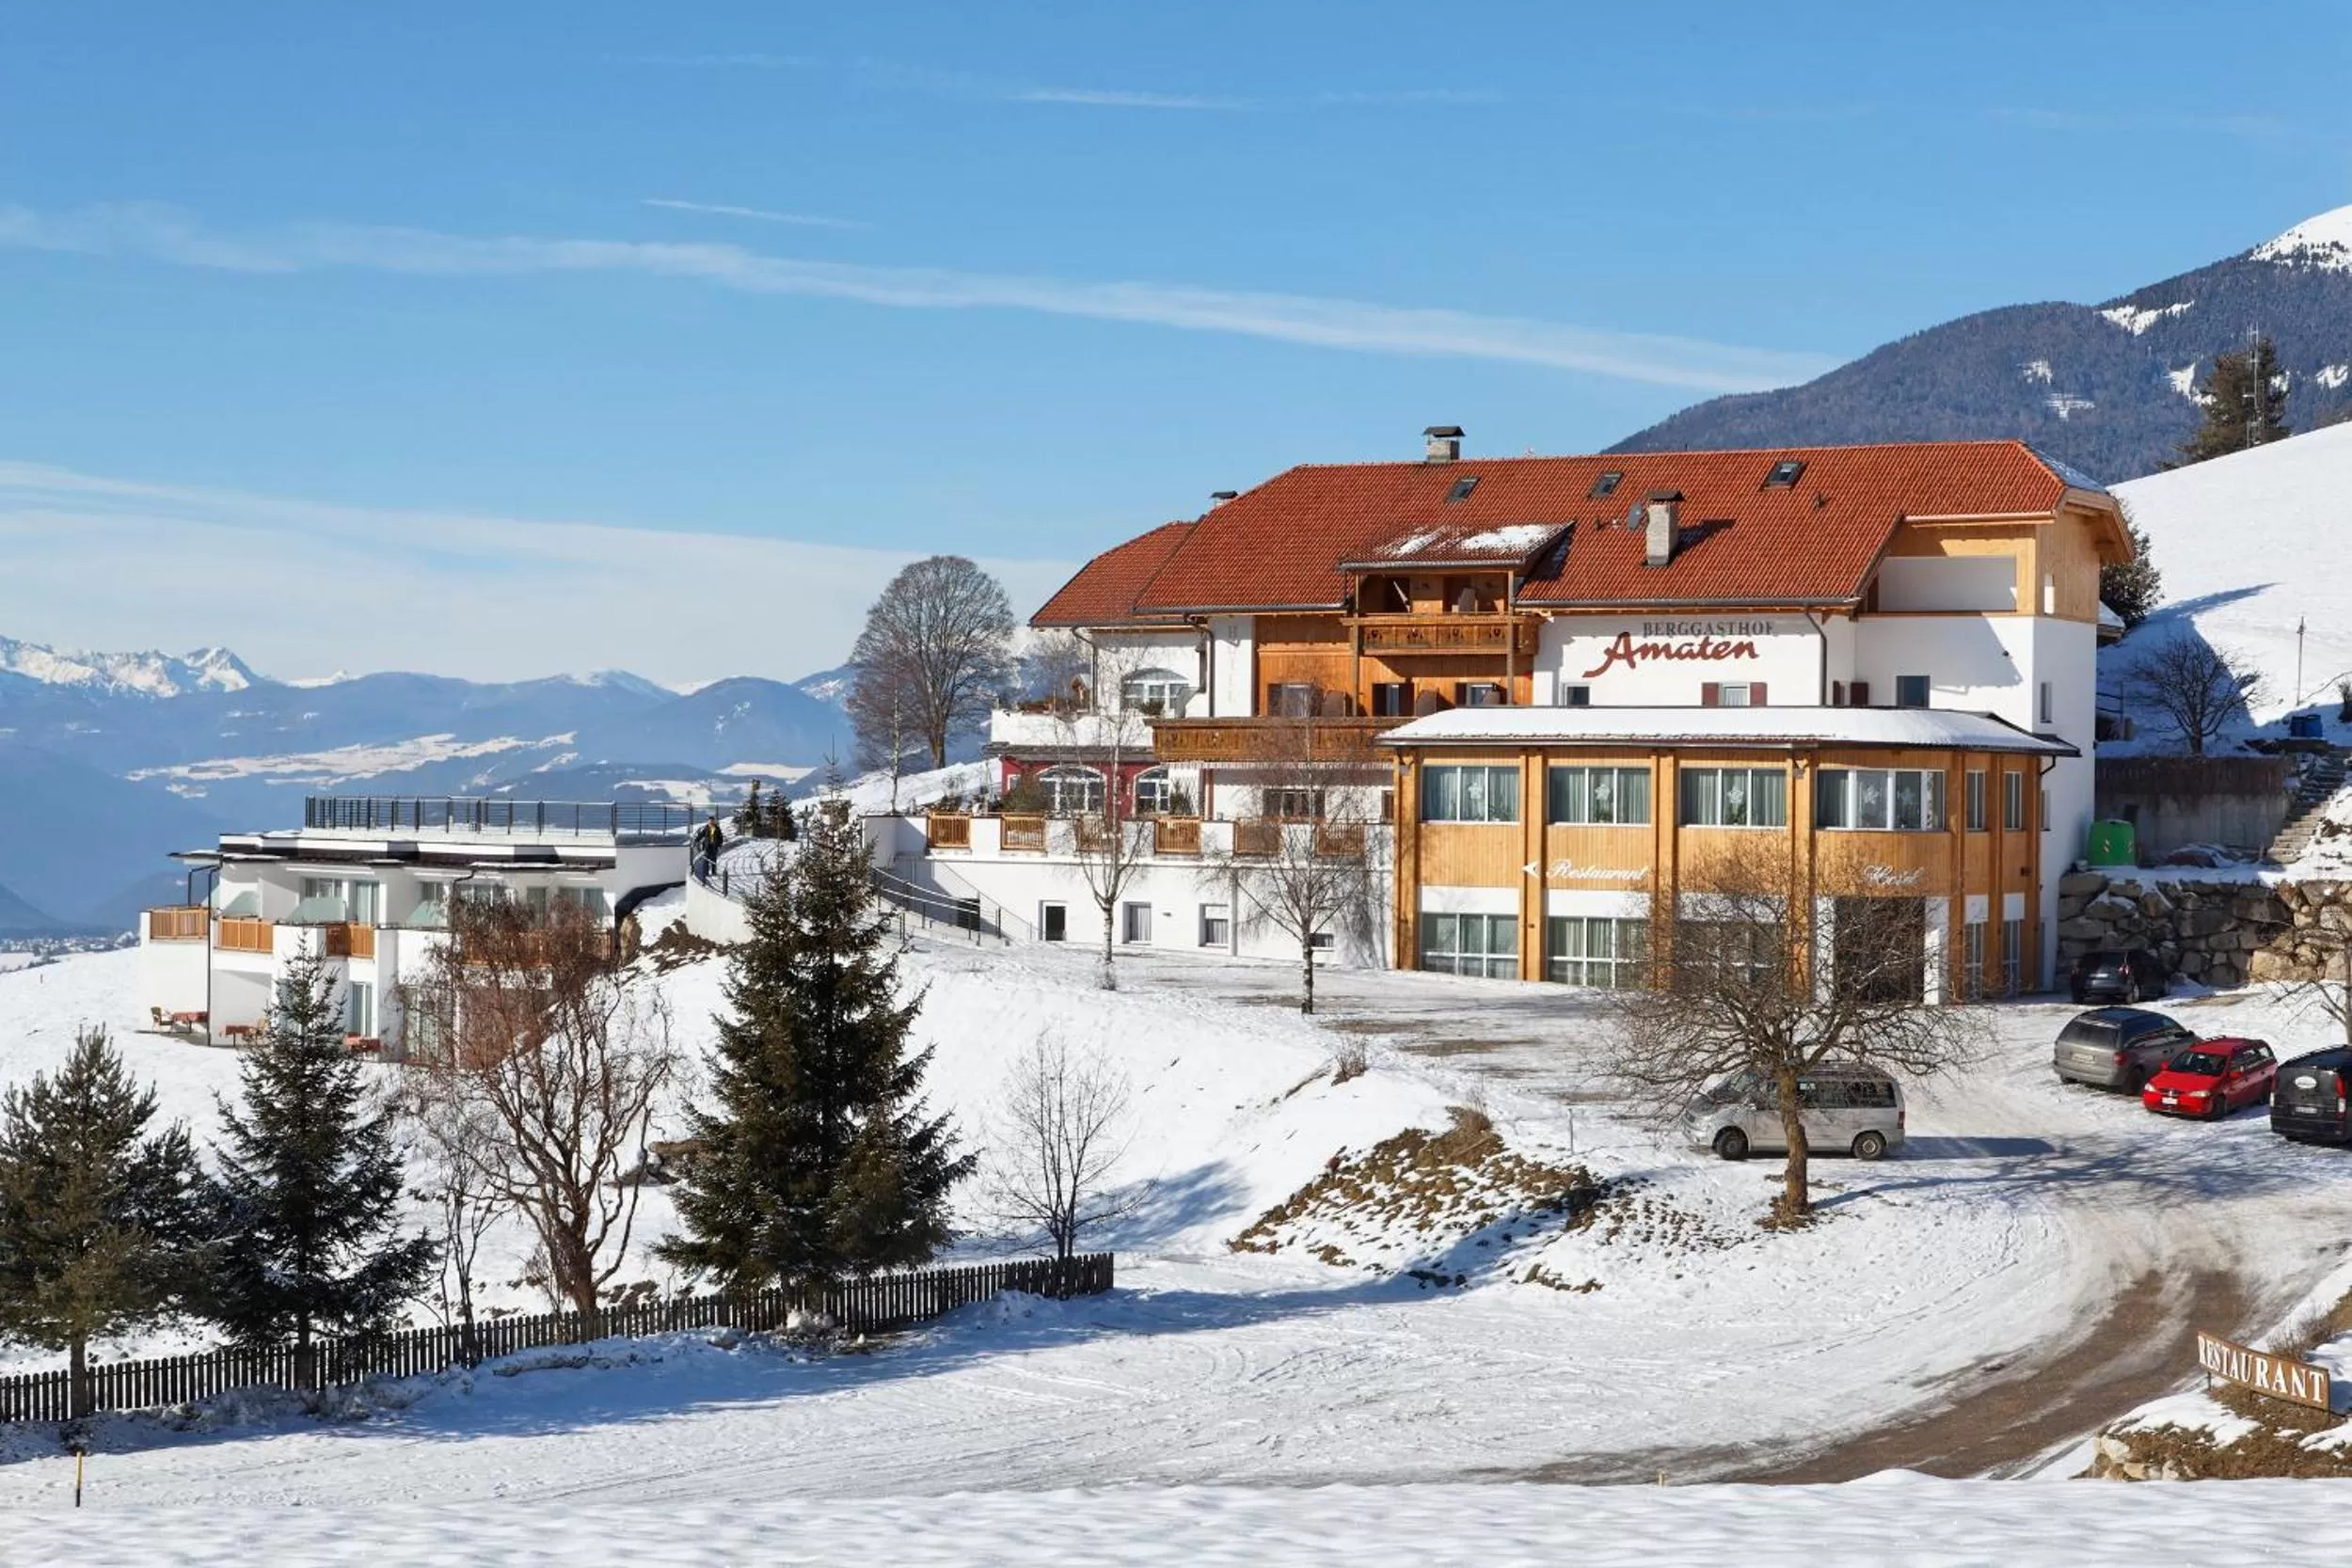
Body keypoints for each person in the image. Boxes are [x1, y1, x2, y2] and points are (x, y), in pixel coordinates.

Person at [696, 813, 723, 879]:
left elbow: (720, 837)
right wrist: (696, 840)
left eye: (712, 820)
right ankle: (706, 873)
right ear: (708, 821)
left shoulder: (717, 828)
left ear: (714, 821)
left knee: (714, 859)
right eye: (710, 821)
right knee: (707, 859)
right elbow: (701, 835)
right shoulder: (706, 828)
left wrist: (720, 844)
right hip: (707, 846)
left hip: (714, 846)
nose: (711, 822)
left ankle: (714, 872)